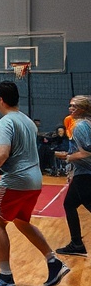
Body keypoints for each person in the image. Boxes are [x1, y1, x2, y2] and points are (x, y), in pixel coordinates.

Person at [0, 81, 70, 286]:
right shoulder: (27, 121)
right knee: (21, 221)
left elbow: (2, 154)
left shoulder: (5, 122)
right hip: (34, 180)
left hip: (16, 180)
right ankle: (53, 261)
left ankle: (5, 278)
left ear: (0, 99)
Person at [56, 95, 91, 257]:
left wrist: (67, 157)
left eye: (74, 106)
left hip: (86, 174)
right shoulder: (85, 124)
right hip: (81, 173)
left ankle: (76, 243)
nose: (70, 109)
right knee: (69, 204)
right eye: (70, 106)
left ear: (83, 109)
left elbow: (86, 152)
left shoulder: (80, 127)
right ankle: (76, 243)